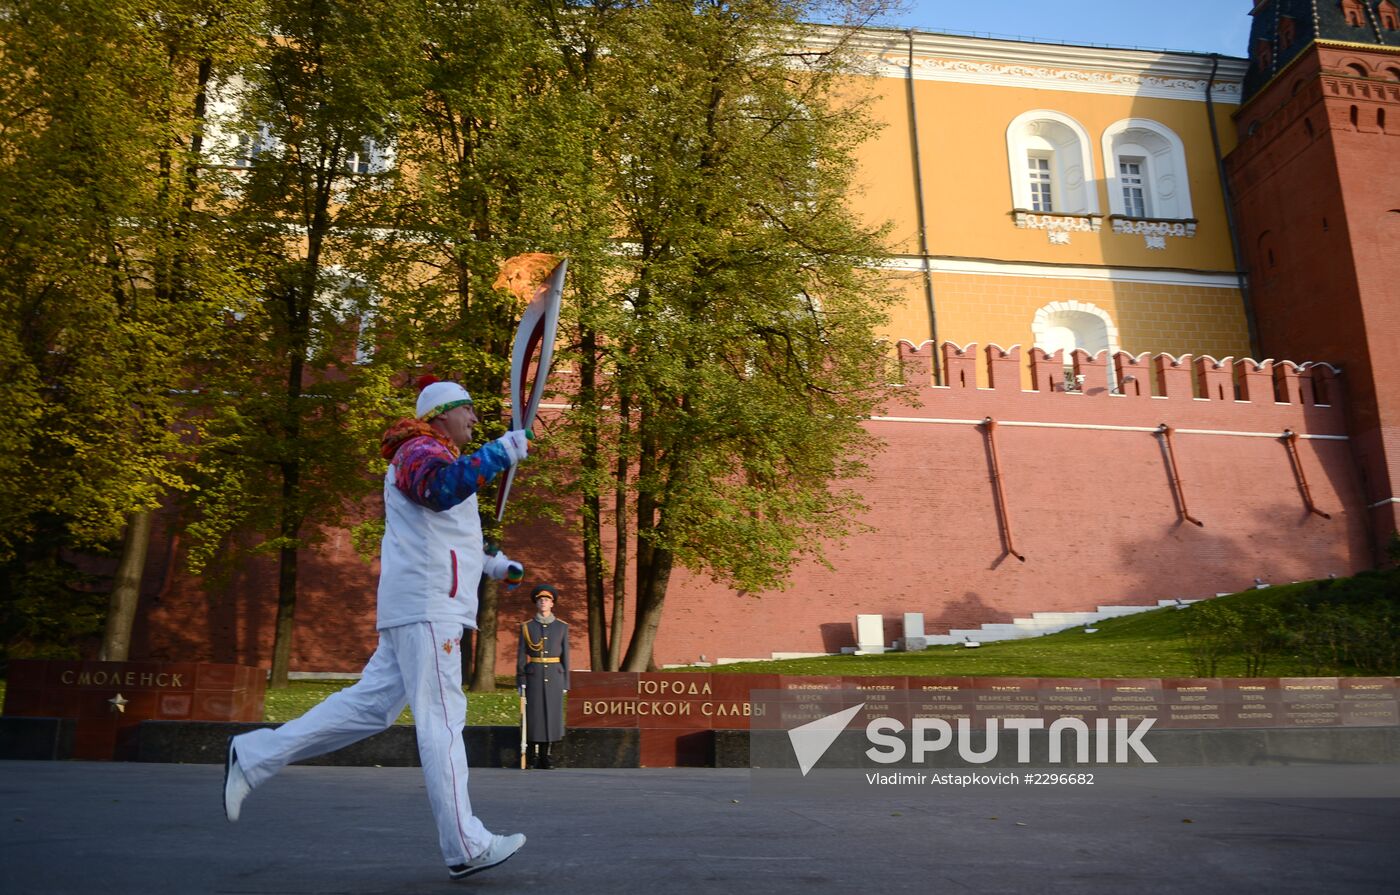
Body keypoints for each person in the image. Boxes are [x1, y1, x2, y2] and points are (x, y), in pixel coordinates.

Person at [221, 376, 532, 881]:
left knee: (369, 709)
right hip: (428, 609)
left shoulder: (436, 455)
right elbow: (439, 493)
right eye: (468, 411)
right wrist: (502, 451)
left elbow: (447, 537)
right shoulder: (417, 451)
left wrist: (495, 566)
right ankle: (465, 844)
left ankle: (253, 754)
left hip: (423, 605)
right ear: (442, 413)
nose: (475, 420)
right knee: (443, 722)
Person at [515, 584, 570, 769]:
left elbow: (566, 657)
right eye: (540, 600)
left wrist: (566, 682)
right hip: (534, 676)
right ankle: (532, 756)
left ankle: (547, 755)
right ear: (536, 603)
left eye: (547, 600)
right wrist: (521, 679)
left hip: (555, 676)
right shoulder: (527, 627)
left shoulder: (562, 627)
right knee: (534, 716)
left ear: (552, 604)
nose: (543, 602)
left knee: (552, 716)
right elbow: (522, 654)